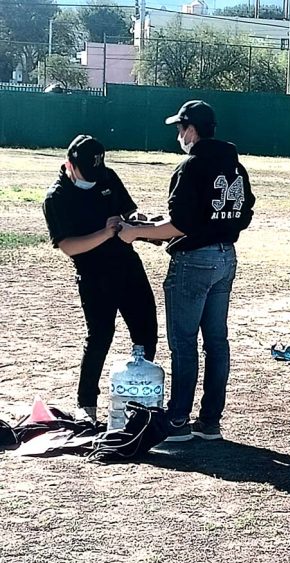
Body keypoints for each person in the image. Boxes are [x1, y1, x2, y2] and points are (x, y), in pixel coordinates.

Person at [118, 100, 255, 441]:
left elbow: (181, 224)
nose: (178, 135)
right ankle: (210, 420)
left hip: (194, 261)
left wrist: (135, 232)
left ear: (191, 129)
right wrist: (155, 226)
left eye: (180, 128)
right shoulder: (236, 166)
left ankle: (178, 419)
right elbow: (243, 212)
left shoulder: (189, 167)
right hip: (226, 256)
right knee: (216, 342)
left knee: (183, 343)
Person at [42, 135, 158, 423]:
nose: (94, 179)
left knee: (146, 331)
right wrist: (105, 233)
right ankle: (87, 404)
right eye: (87, 173)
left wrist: (137, 217)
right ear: (69, 165)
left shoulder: (106, 175)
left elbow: (128, 207)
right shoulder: (57, 197)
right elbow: (68, 246)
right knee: (100, 337)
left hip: (128, 266)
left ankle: (141, 397)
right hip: (94, 275)